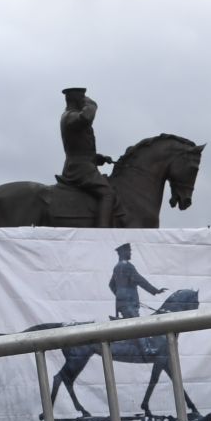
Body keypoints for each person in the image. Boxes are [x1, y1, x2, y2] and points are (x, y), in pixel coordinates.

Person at [59, 87, 116, 228]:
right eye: (83, 97)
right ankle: (102, 231)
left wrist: (99, 158)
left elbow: (79, 150)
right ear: (77, 99)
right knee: (107, 193)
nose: (85, 99)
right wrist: (92, 105)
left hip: (84, 164)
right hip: (79, 168)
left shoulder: (72, 117)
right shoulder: (69, 117)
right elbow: (86, 117)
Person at [109, 242, 165, 319]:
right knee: (134, 325)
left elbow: (111, 285)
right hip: (130, 302)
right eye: (129, 251)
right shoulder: (128, 266)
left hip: (121, 302)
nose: (130, 253)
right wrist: (155, 290)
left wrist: (120, 294)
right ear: (123, 252)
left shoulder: (116, 267)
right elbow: (140, 280)